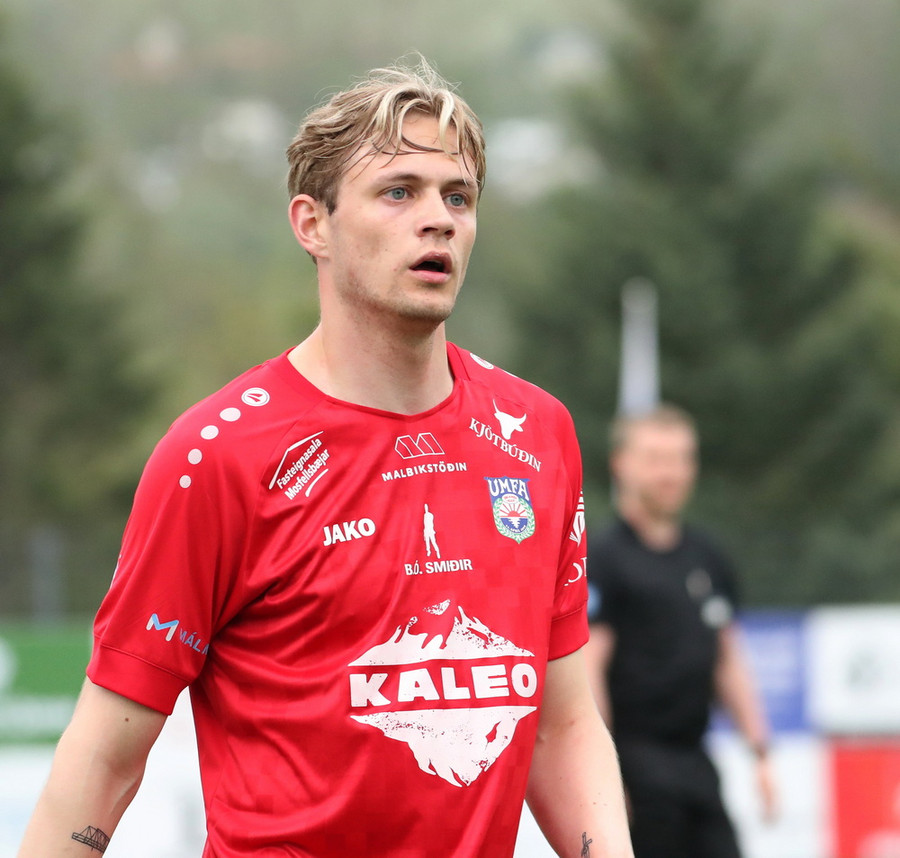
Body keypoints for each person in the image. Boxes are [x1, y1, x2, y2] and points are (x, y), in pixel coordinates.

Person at [18, 57, 633, 858]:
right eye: (398, 192)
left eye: (458, 196)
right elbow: (106, 757)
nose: (439, 219)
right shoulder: (218, 456)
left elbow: (562, 726)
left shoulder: (536, 433)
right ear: (313, 225)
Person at [585, 404, 777, 858]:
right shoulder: (604, 558)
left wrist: (761, 753)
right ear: (621, 464)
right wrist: (604, 778)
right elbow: (588, 672)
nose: (670, 473)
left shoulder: (707, 556)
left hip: (696, 761)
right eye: (656, 459)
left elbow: (727, 659)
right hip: (633, 766)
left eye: (680, 458)